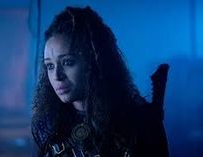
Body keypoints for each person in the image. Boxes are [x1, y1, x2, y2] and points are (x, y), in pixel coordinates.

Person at [31, 6, 169, 157]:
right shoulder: (50, 125)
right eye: (49, 65)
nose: (56, 75)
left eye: (68, 62)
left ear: (94, 62)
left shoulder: (139, 122)